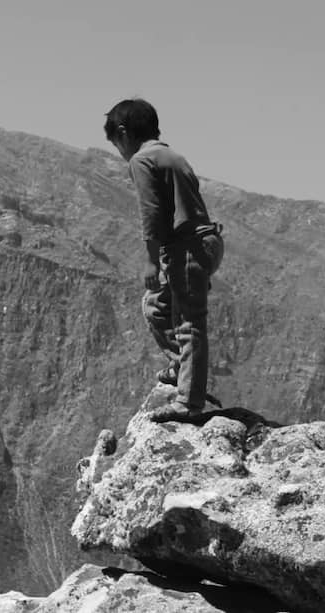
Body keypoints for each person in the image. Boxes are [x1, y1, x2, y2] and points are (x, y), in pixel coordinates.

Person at [104, 99, 224, 421]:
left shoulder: (142, 160)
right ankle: (181, 369)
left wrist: (151, 261)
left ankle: (188, 403)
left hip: (186, 249)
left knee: (189, 325)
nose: (121, 153)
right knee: (155, 306)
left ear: (124, 133)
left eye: (117, 146)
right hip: (205, 242)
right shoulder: (173, 156)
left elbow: (151, 213)